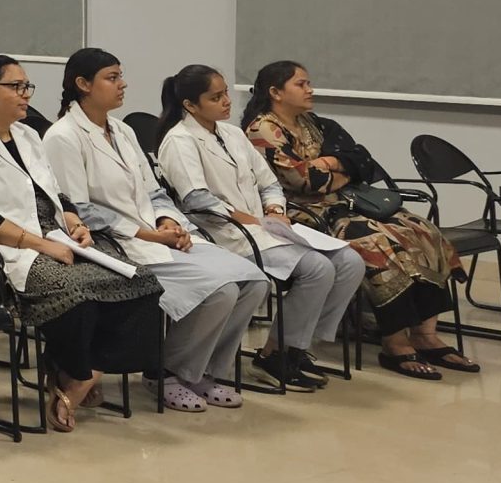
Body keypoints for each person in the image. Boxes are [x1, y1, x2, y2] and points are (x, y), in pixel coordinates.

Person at [0, 56, 164, 433]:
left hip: (50, 238)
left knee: (142, 283)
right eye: (16, 87)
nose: (26, 94)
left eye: (27, 86)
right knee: (77, 292)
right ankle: (70, 372)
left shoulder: (26, 135)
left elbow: (54, 191)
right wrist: (40, 244)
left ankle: (78, 379)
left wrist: (72, 219)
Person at [44, 51, 268, 412]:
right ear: (83, 85)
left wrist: (167, 221)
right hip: (117, 245)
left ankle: (203, 372)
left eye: (121, 76)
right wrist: (149, 235)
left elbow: (154, 191)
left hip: (156, 236)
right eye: (112, 78)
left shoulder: (123, 130)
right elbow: (78, 209)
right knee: (221, 291)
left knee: (254, 281)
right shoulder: (63, 136)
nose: (123, 84)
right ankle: (165, 372)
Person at [244, 61, 473, 381]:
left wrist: (329, 166)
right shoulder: (263, 129)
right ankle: (394, 341)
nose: (310, 89)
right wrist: (338, 171)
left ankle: (425, 334)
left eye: (309, 83)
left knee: (421, 230)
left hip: (342, 203)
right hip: (302, 214)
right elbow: (303, 181)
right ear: (275, 92)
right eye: (301, 84)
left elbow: (361, 162)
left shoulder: (312, 123)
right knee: (379, 243)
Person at [155, 64, 365, 391]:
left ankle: (296, 346)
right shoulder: (180, 141)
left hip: (266, 229)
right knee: (317, 269)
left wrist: (275, 210)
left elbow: (269, 183)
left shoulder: (233, 134)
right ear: (190, 105)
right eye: (216, 97)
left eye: (226, 93)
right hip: (227, 235)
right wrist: (248, 219)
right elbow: (197, 199)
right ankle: (275, 355)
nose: (227, 101)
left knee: (350, 261)